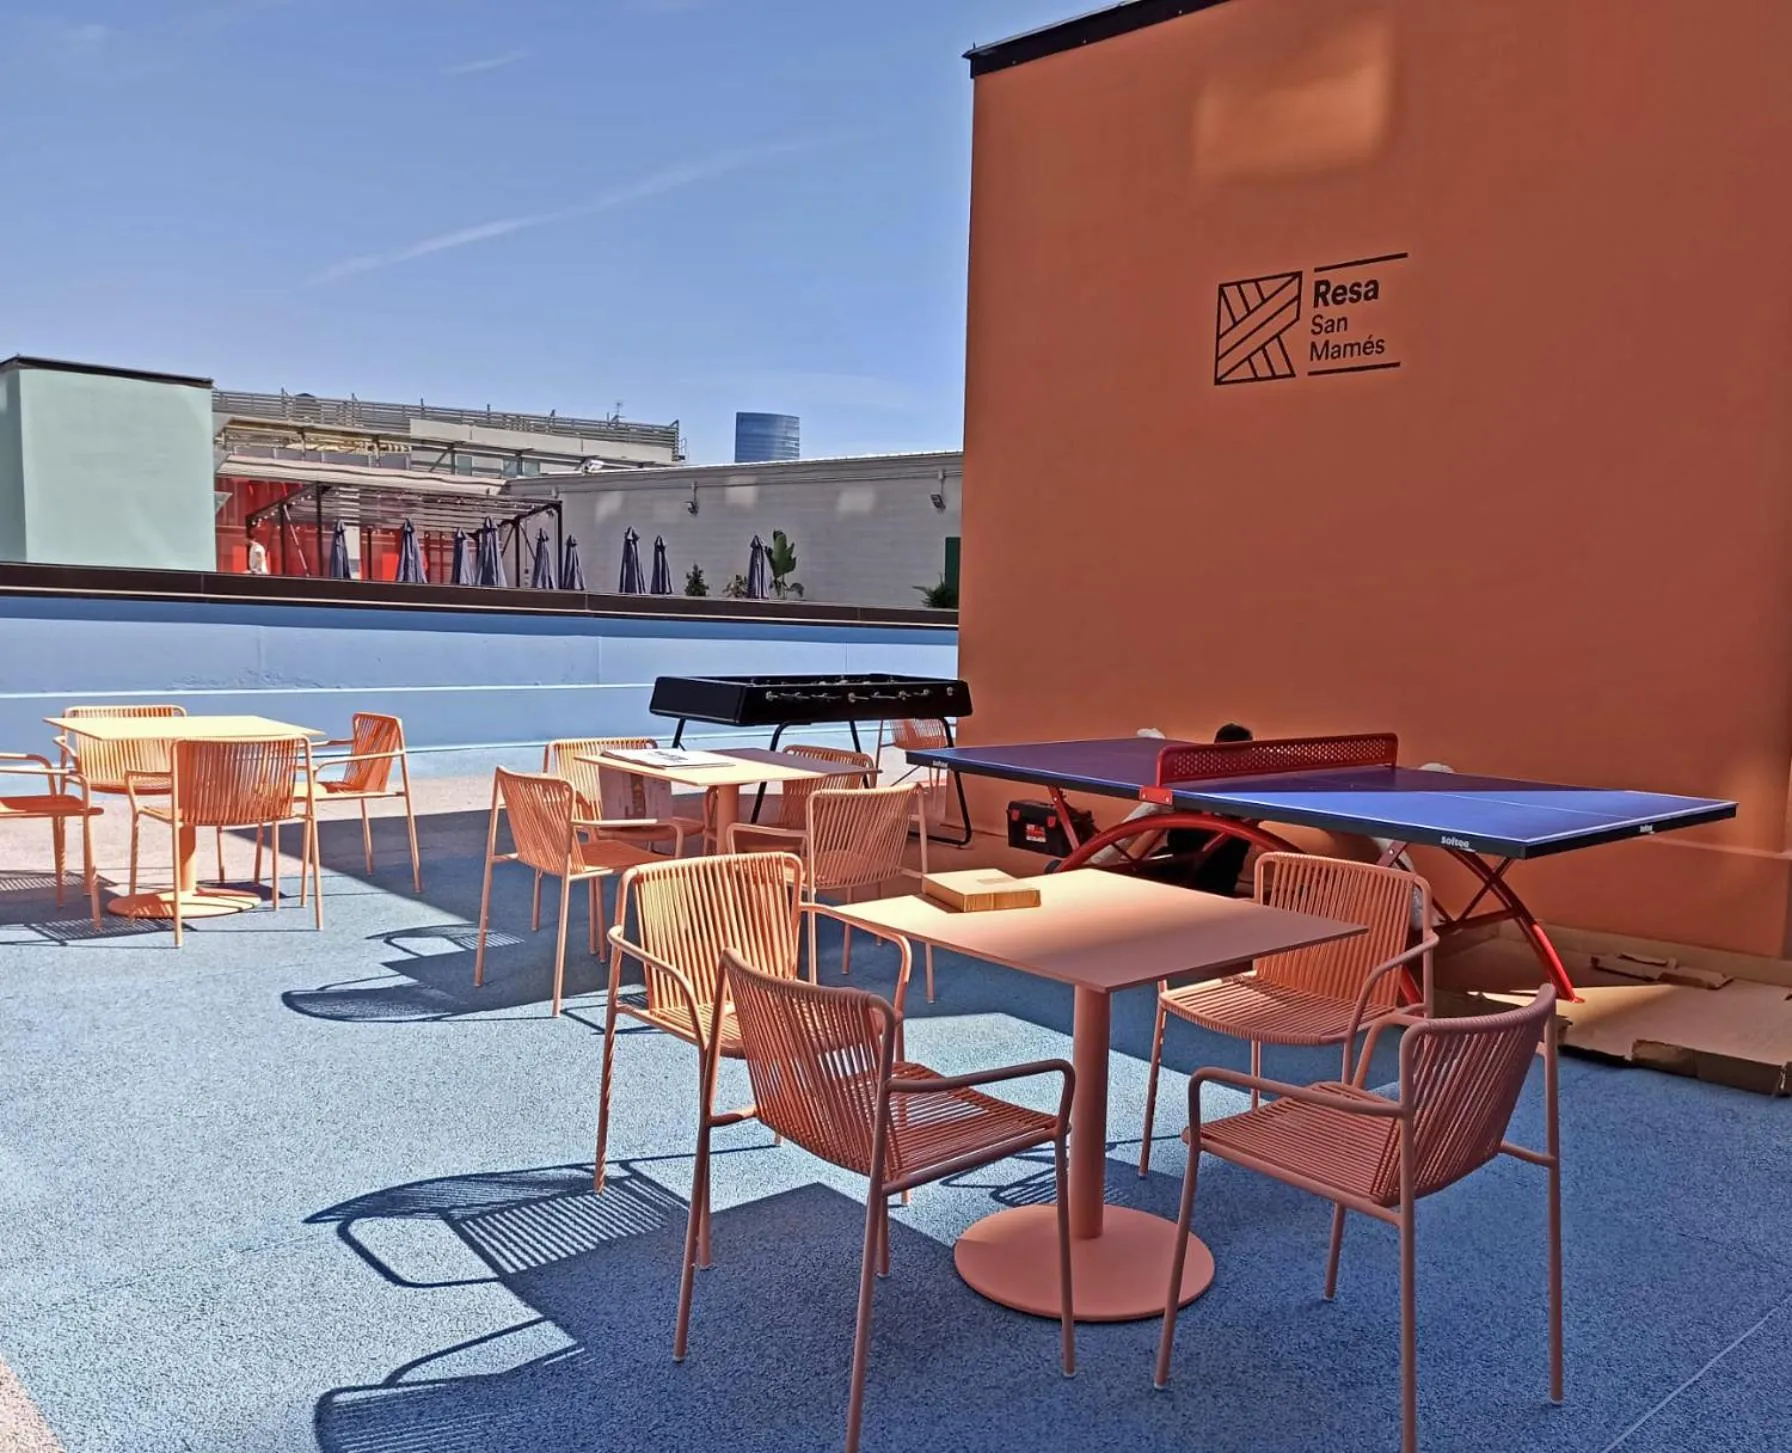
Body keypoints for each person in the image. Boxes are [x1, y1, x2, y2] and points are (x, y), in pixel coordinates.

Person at [1090, 723, 1257, 896]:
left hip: (1215, 870)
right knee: (1157, 808)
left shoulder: (1254, 781)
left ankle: (1099, 861)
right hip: (1183, 853)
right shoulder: (1200, 768)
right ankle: (1098, 862)